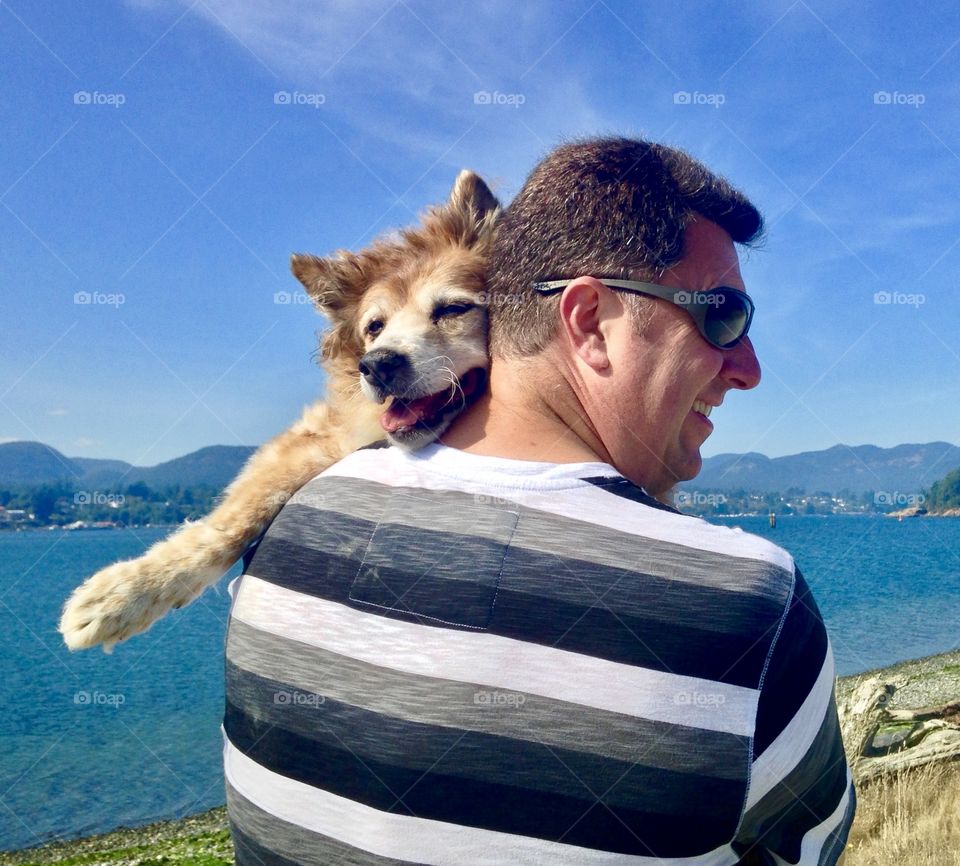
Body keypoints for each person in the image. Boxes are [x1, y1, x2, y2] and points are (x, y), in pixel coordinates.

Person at [223, 137, 855, 865]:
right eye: (722, 316)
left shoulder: (281, 539)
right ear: (587, 321)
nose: (748, 367)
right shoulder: (749, 608)